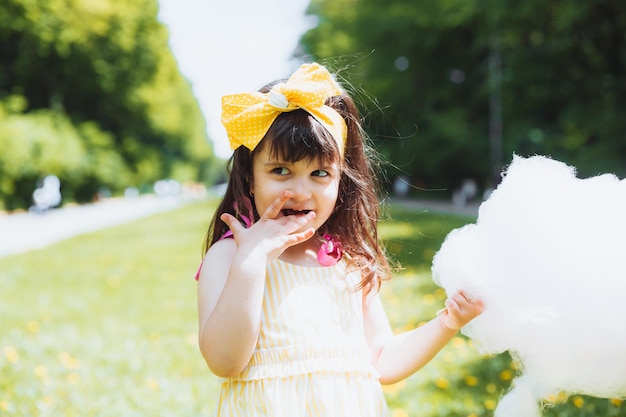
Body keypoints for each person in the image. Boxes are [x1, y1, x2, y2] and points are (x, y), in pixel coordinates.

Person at [195, 62, 484, 416]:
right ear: (250, 178)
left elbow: (381, 359)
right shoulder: (230, 257)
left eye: (319, 173)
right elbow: (224, 362)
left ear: (339, 183)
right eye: (280, 170)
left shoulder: (347, 262)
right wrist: (251, 262)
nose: (299, 191)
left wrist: (448, 322)